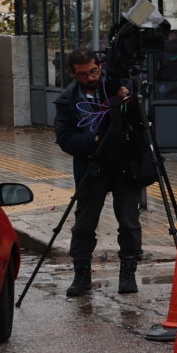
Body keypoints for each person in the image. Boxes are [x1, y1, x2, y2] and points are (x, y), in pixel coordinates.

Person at [51, 49, 143, 298]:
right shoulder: (67, 100)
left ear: (100, 66)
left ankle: (128, 273)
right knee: (84, 224)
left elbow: (141, 124)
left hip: (124, 165)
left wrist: (129, 102)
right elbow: (65, 138)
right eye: (83, 74)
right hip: (91, 167)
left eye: (93, 71)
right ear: (72, 73)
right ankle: (81, 275)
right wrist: (94, 141)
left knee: (129, 222)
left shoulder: (117, 88)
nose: (90, 77)